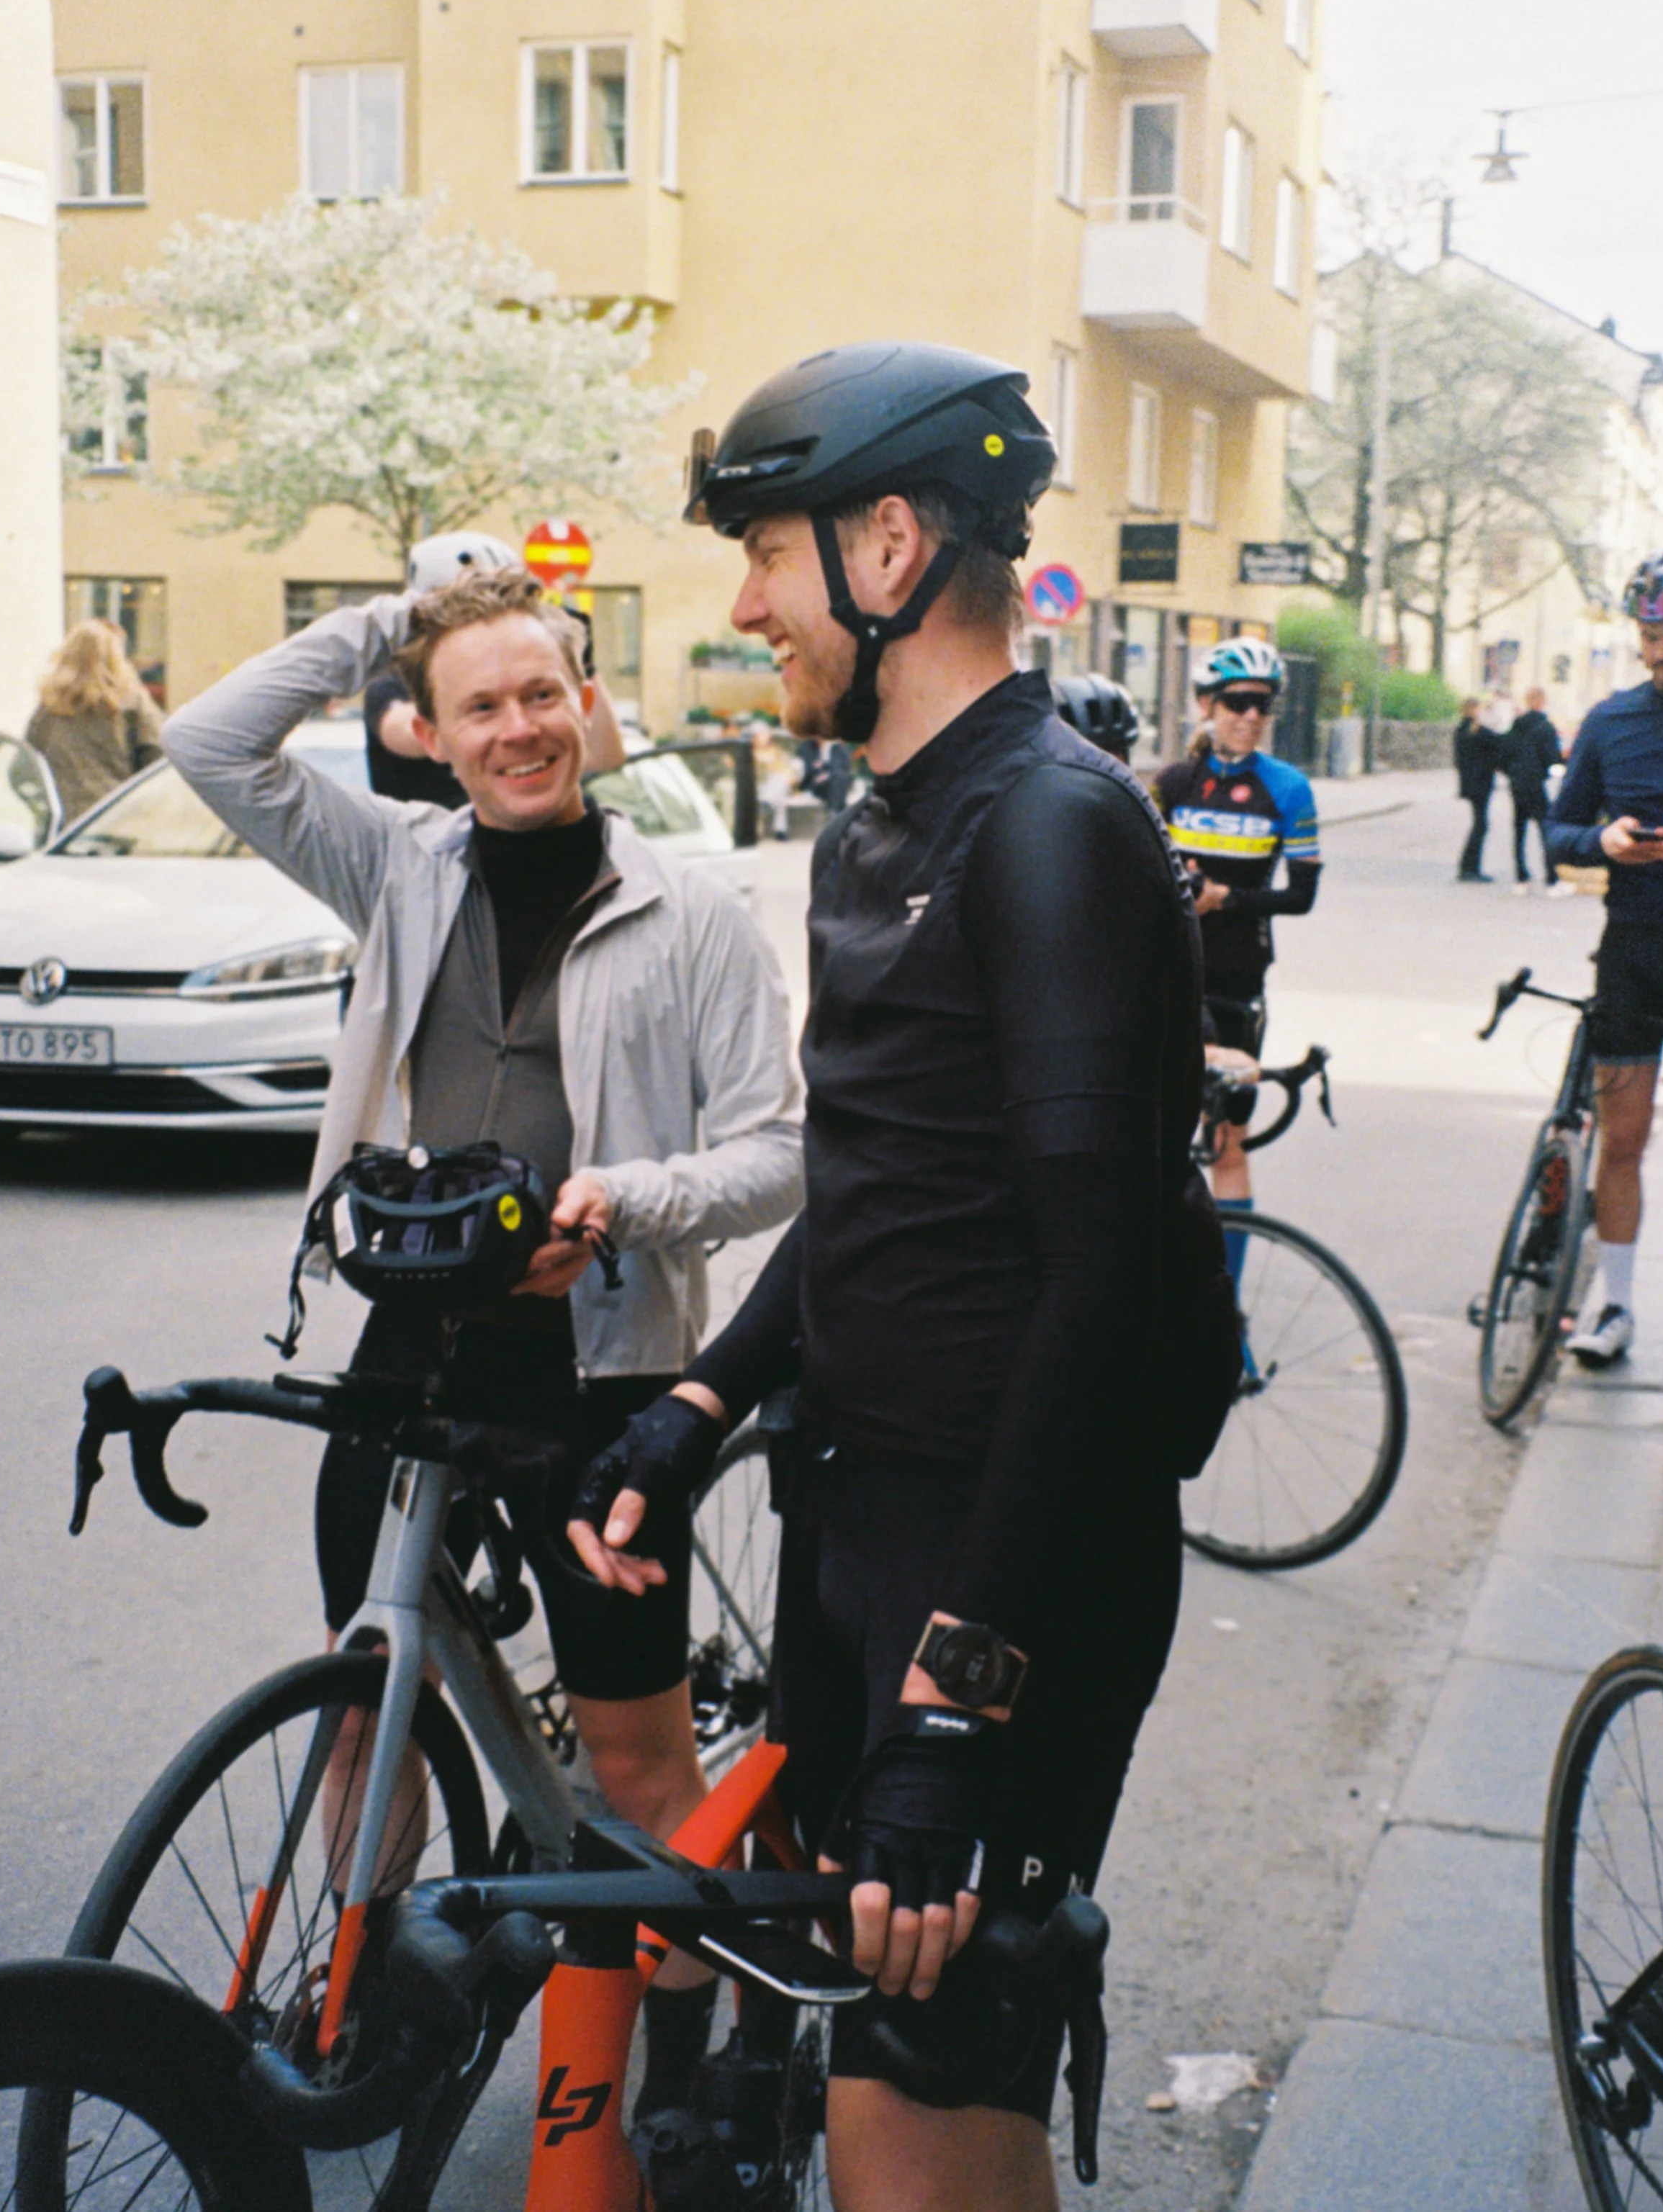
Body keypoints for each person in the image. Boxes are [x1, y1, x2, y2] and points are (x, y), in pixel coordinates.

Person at [566, 343, 1223, 2212]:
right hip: (866, 1520)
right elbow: (874, 1196)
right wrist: (693, 1417)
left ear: (887, 540)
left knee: (917, 2130)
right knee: (900, 2094)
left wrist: (956, 1703)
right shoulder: (880, 820)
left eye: (766, 553)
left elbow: (1096, 1300)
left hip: (1011, 1562)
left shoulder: (1050, 826)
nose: (747, 603)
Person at [161, 565, 802, 2116]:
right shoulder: (396, 866)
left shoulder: (691, 911)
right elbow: (208, 742)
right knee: (362, 1700)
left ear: (588, 703)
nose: (520, 728)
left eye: (542, 694)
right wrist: (400, 617)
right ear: (428, 734)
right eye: (480, 705)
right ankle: (360, 1996)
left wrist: (622, 1199)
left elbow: (780, 1151)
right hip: (409, 1349)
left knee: (639, 1762)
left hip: (603, 1371)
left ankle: (673, 2077)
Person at [1546, 548, 1663, 1371]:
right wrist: (1606, 842)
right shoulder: (1611, 722)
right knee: (1620, 1139)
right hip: (1631, 954)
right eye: (1650, 636)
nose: (1661, 651)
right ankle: (1613, 1306)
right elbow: (1556, 833)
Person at [1153, 639, 1321, 1234]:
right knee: (1153, 1144)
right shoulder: (1172, 784)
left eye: (1262, 704)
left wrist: (1227, 897)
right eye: (1236, 701)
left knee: (1228, 1144)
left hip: (1236, 979)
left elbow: (1301, 896)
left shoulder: (1288, 790)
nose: (1250, 716)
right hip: (1168, 977)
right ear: (1206, 704)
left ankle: (1227, 1316)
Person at [363, 533, 626, 803]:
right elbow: (403, 731)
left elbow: (606, 756)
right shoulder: (392, 683)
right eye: (484, 707)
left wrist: (584, 664)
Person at [25, 619, 162, 822]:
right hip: (117, 818)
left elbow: (24, 767)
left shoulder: (49, 709)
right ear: (115, 657)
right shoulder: (132, 703)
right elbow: (157, 759)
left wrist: (42, 805)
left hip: (65, 825)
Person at [1502, 685, 1568, 897]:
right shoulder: (1546, 727)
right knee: (1546, 830)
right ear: (1542, 702)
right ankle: (1552, 879)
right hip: (1536, 784)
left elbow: (1505, 753)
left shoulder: (1516, 725)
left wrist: (1513, 773)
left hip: (1517, 783)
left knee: (1519, 830)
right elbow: (1553, 760)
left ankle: (1521, 878)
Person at [1453, 697, 1502, 881]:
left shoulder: (1461, 730)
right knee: (1481, 825)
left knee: (1479, 824)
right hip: (1481, 784)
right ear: (1474, 710)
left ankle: (1469, 867)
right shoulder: (1478, 731)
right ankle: (1470, 868)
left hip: (1470, 784)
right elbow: (1499, 743)